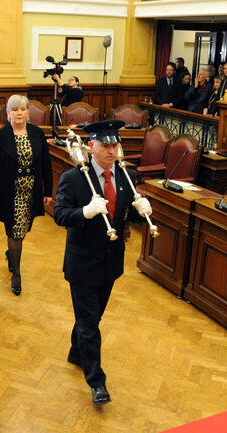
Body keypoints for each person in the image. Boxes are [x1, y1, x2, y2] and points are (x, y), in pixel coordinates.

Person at [53, 120, 152, 406]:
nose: (111, 151)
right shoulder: (74, 178)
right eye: (105, 145)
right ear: (91, 146)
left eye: (114, 145)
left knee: (92, 318)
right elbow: (60, 215)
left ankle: (76, 352)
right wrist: (84, 212)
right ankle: (97, 382)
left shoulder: (125, 175)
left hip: (110, 263)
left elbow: (124, 215)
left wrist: (140, 210)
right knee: (89, 324)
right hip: (82, 263)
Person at [0, 95, 53, 296]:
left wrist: (48, 191)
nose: (19, 113)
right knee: (14, 232)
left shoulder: (36, 133)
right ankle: (16, 273)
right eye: (14, 110)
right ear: (8, 113)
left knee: (22, 230)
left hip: (30, 190)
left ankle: (12, 254)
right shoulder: (0, 136)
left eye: (22, 109)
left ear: (27, 112)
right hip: (9, 192)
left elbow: (45, 164)